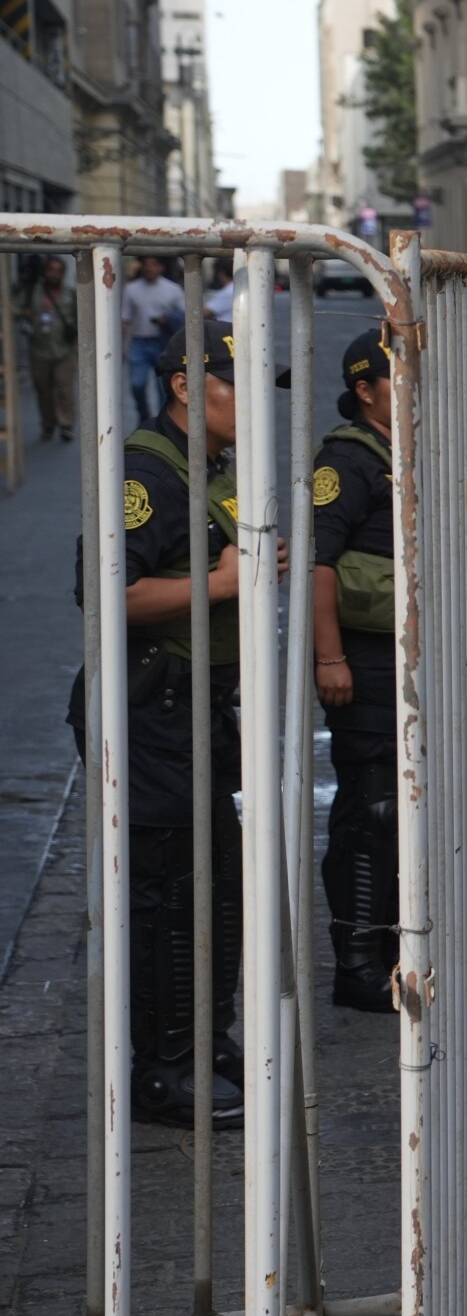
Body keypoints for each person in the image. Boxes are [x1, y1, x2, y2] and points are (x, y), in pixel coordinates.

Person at [69, 329, 288, 1127]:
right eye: (241, 382)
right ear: (189, 387)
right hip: (151, 709)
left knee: (215, 884)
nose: (257, 399)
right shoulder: (146, 471)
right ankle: (162, 1068)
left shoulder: (208, 469)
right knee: (165, 894)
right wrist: (226, 582)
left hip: (196, 708)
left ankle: (205, 1039)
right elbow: (107, 595)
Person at [310, 330, 403, 1011]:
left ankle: (393, 944)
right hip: (362, 664)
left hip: (400, 662)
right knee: (368, 808)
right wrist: (329, 656)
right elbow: (319, 564)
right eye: (391, 378)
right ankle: (358, 961)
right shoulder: (345, 459)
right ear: (364, 388)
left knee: (396, 809)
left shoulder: (404, 449)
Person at [120, 253, 187, 423]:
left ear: (161, 267)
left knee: (163, 389)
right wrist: (119, 347)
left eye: (154, 264)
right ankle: (143, 417)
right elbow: (125, 320)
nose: (150, 267)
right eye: (147, 264)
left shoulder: (173, 289)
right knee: (137, 384)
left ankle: (161, 422)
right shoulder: (131, 289)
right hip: (139, 342)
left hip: (163, 343)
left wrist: (167, 321)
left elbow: (184, 317)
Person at [22, 254, 75, 442]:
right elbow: (14, 309)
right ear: (45, 272)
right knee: (43, 390)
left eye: (58, 271)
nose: (54, 274)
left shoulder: (70, 294)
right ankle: (48, 424)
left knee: (64, 388)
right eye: (51, 270)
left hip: (64, 351)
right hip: (39, 349)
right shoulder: (32, 293)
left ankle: (66, 425)